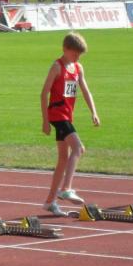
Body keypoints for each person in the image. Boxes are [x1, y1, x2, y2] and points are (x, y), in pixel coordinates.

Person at [40, 32, 100, 216]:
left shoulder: (78, 68)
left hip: (67, 115)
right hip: (57, 115)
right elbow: (44, 94)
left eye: (79, 55)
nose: (77, 58)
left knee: (63, 159)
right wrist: (45, 121)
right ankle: (66, 188)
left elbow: (86, 91)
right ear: (65, 49)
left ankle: (50, 202)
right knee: (79, 148)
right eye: (75, 54)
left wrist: (94, 112)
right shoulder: (56, 67)